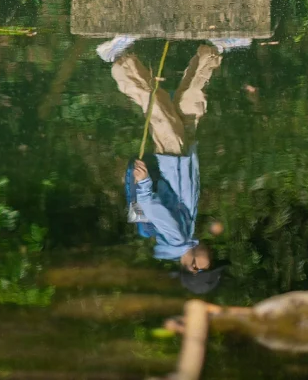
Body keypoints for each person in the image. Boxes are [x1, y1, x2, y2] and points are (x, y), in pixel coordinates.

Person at [97, 33, 250, 293]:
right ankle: (213, 49)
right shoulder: (185, 236)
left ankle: (118, 60)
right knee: (191, 102)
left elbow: (150, 206)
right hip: (183, 158)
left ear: (194, 266)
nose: (212, 256)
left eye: (209, 264)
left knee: (156, 108)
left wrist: (143, 182)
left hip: (172, 160)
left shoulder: (176, 239)